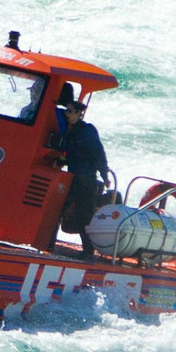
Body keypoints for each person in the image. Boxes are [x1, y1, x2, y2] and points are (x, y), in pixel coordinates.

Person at [57, 99, 110, 256]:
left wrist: (105, 175)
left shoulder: (87, 132)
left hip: (86, 180)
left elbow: (99, 154)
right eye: (66, 111)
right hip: (73, 178)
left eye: (70, 111)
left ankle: (88, 251)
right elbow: (68, 153)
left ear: (79, 113)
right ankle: (49, 241)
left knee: (84, 215)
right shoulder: (70, 131)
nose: (66, 114)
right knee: (59, 209)